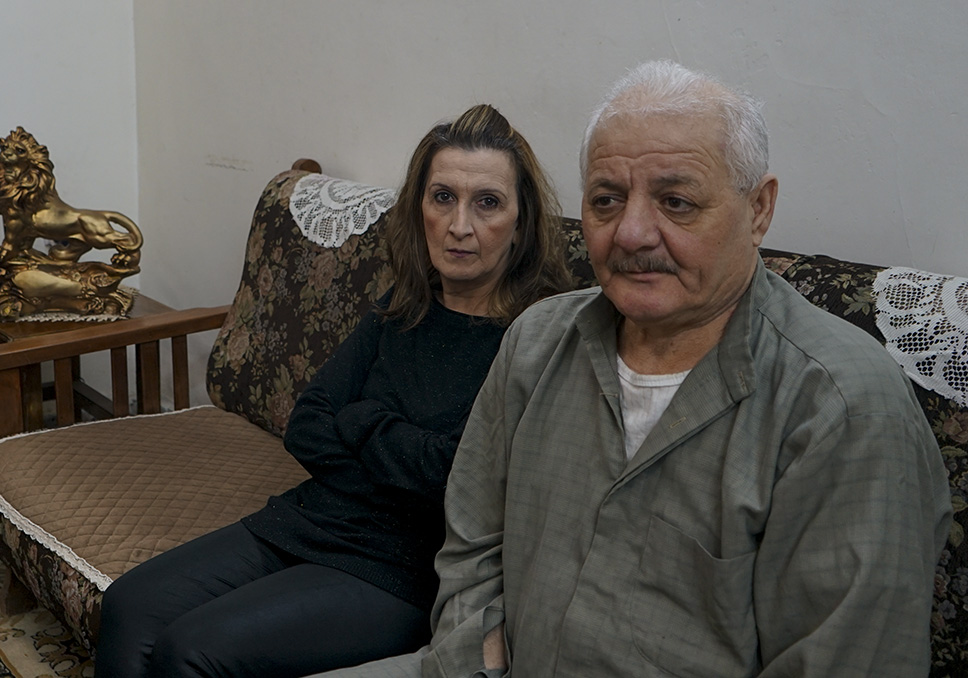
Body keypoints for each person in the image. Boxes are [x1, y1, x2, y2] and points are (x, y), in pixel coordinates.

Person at [313, 61, 952, 678]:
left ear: (759, 209)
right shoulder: (537, 341)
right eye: (607, 200)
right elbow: (473, 542)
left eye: (676, 202)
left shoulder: (842, 407)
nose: (632, 233)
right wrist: (480, 659)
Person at [93, 103, 573, 678]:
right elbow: (309, 421)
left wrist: (366, 421)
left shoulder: (532, 337)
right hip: (308, 520)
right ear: (419, 206)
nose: (460, 225)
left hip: (403, 568)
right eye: (442, 196)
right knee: (128, 604)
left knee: (191, 650)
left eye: (487, 203)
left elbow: (467, 482)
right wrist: (400, 460)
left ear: (520, 223)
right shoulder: (401, 309)